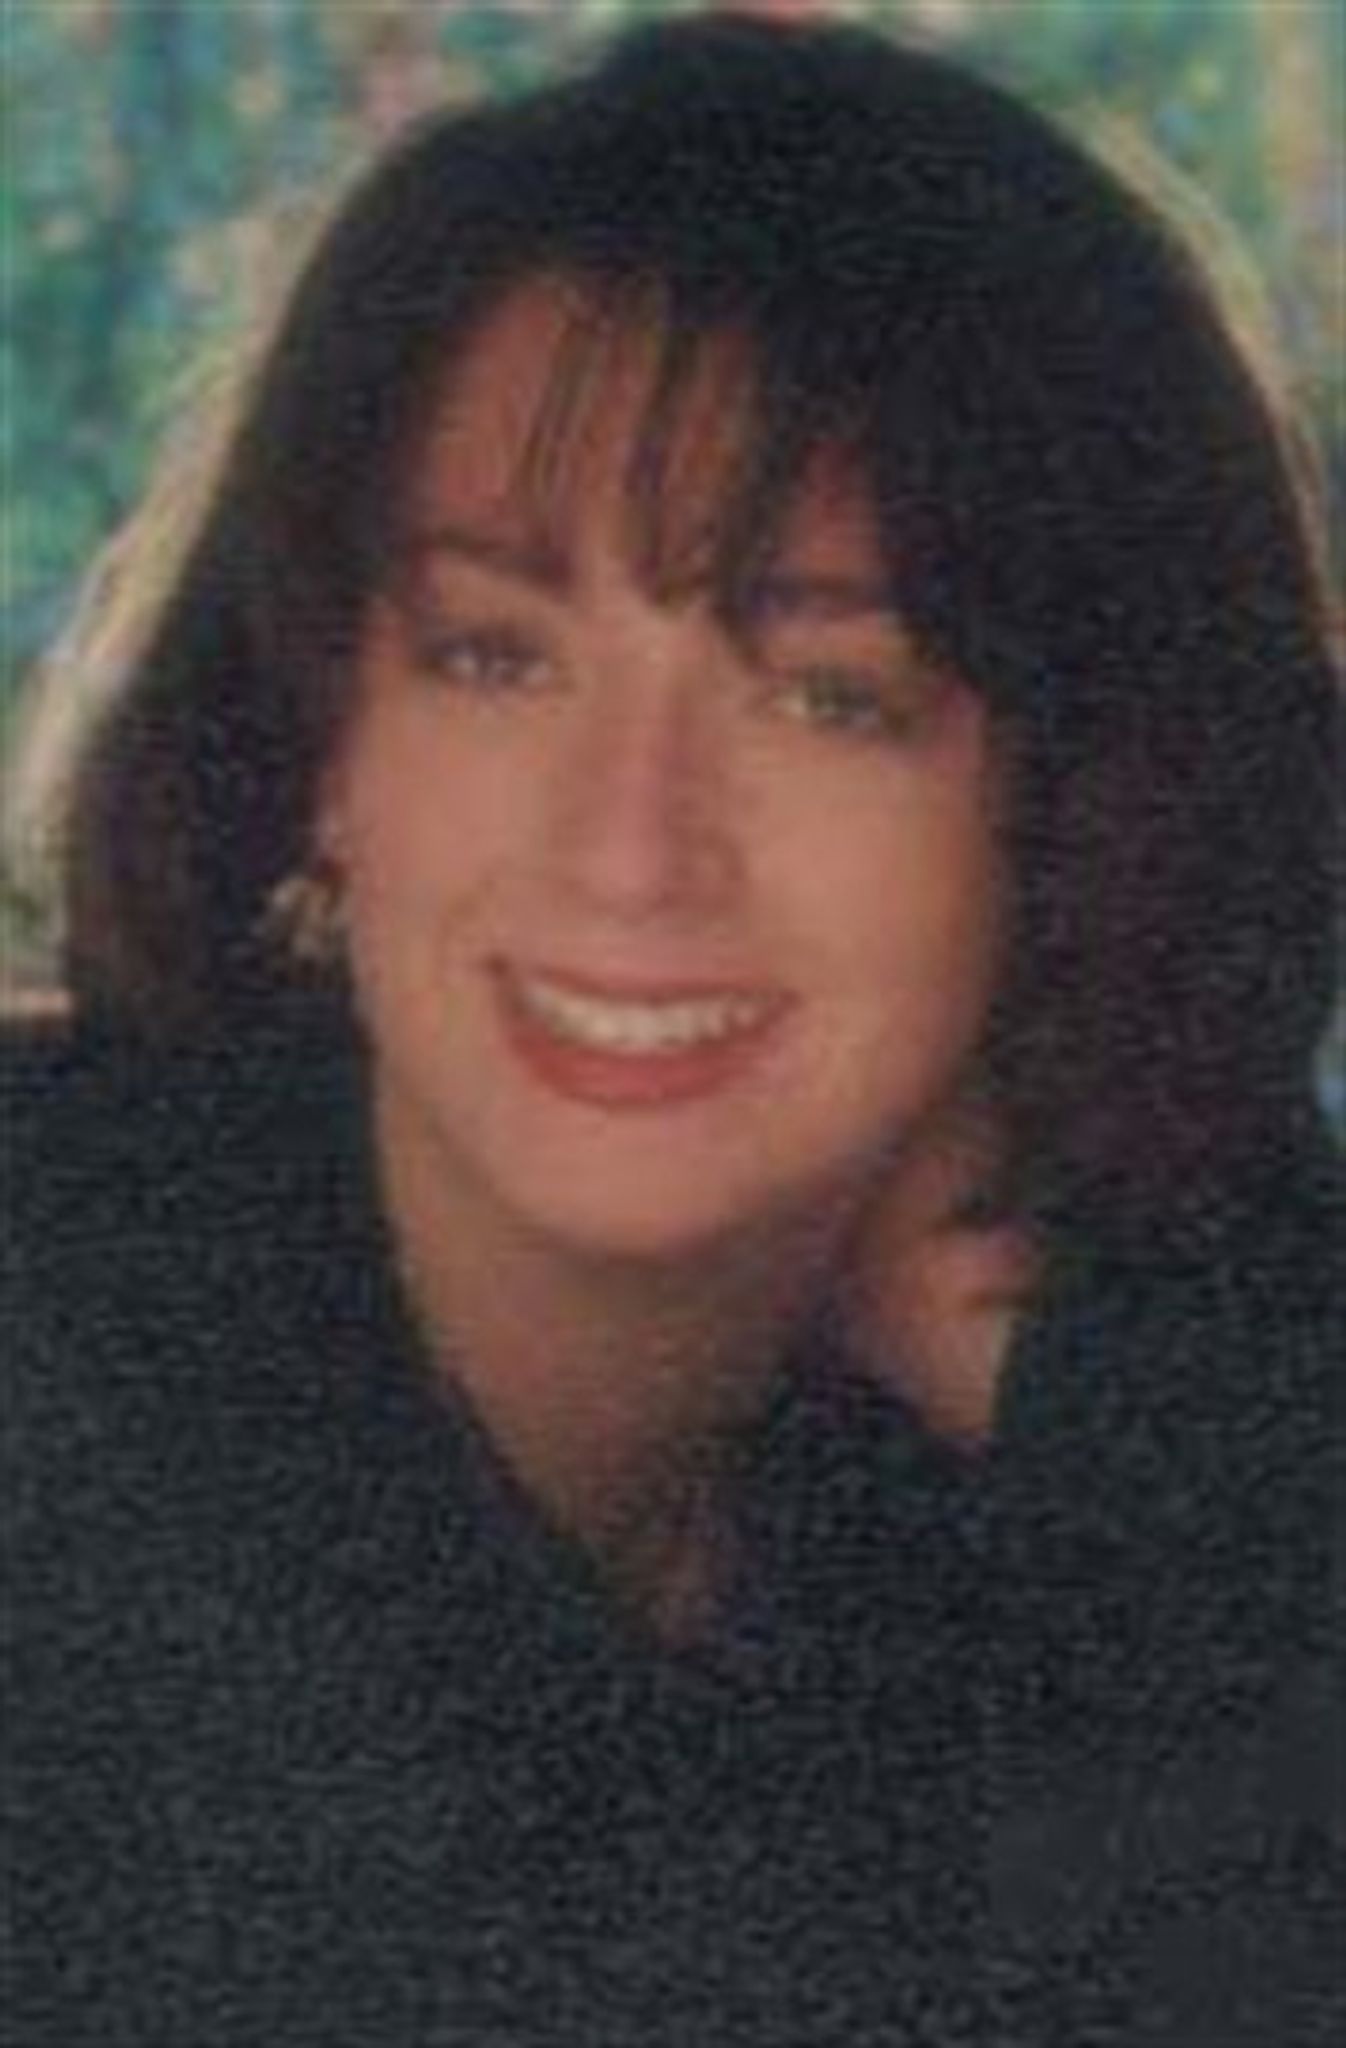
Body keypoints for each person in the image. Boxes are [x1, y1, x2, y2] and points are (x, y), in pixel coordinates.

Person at [4, 12, 1341, 2044]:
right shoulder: (67, 1375)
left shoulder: (987, 1500)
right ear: (323, 733)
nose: (631, 853)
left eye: (828, 697)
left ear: (1080, 800)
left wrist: (1144, 1398)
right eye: (493, 656)